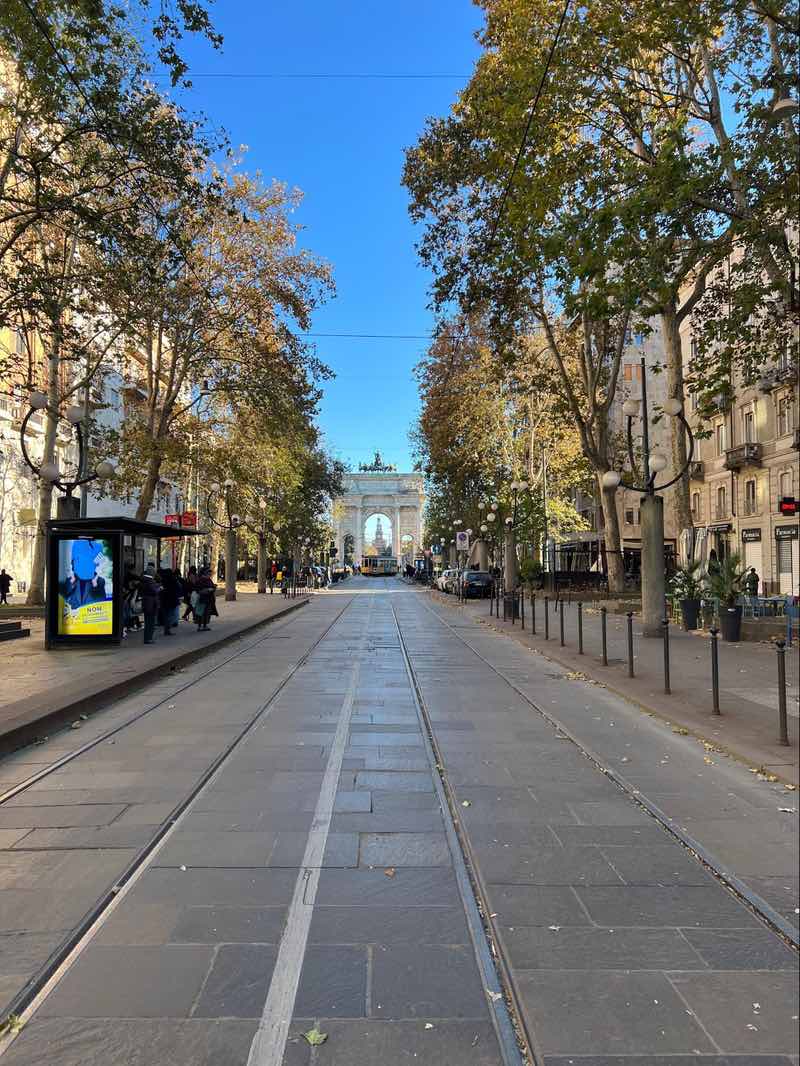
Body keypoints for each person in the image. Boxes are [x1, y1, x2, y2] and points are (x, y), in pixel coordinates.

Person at [139, 565, 161, 644]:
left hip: (146, 603)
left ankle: (147, 638)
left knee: (147, 622)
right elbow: (154, 591)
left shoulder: (143, 580)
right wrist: (159, 588)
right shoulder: (149, 580)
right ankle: (148, 639)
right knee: (150, 622)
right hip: (151, 603)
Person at [194, 567, 218, 631]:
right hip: (202, 599)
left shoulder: (208, 579)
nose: (210, 574)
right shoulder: (201, 580)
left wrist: (213, 587)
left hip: (208, 599)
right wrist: (208, 590)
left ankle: (203, 626)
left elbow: (212, 587)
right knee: (201, 613)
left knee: (205, 613)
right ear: (205, 573)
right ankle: (201, 626)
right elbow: (198, 590)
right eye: (209, 573)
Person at [158, 568, 180, 636]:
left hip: (164, 600)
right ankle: (167, 630)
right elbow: (178, 587)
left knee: (166, 615)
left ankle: (166, 629)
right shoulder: (173, 580)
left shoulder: (163, 580)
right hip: (171, 600)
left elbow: (161, 590)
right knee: (170, 615)